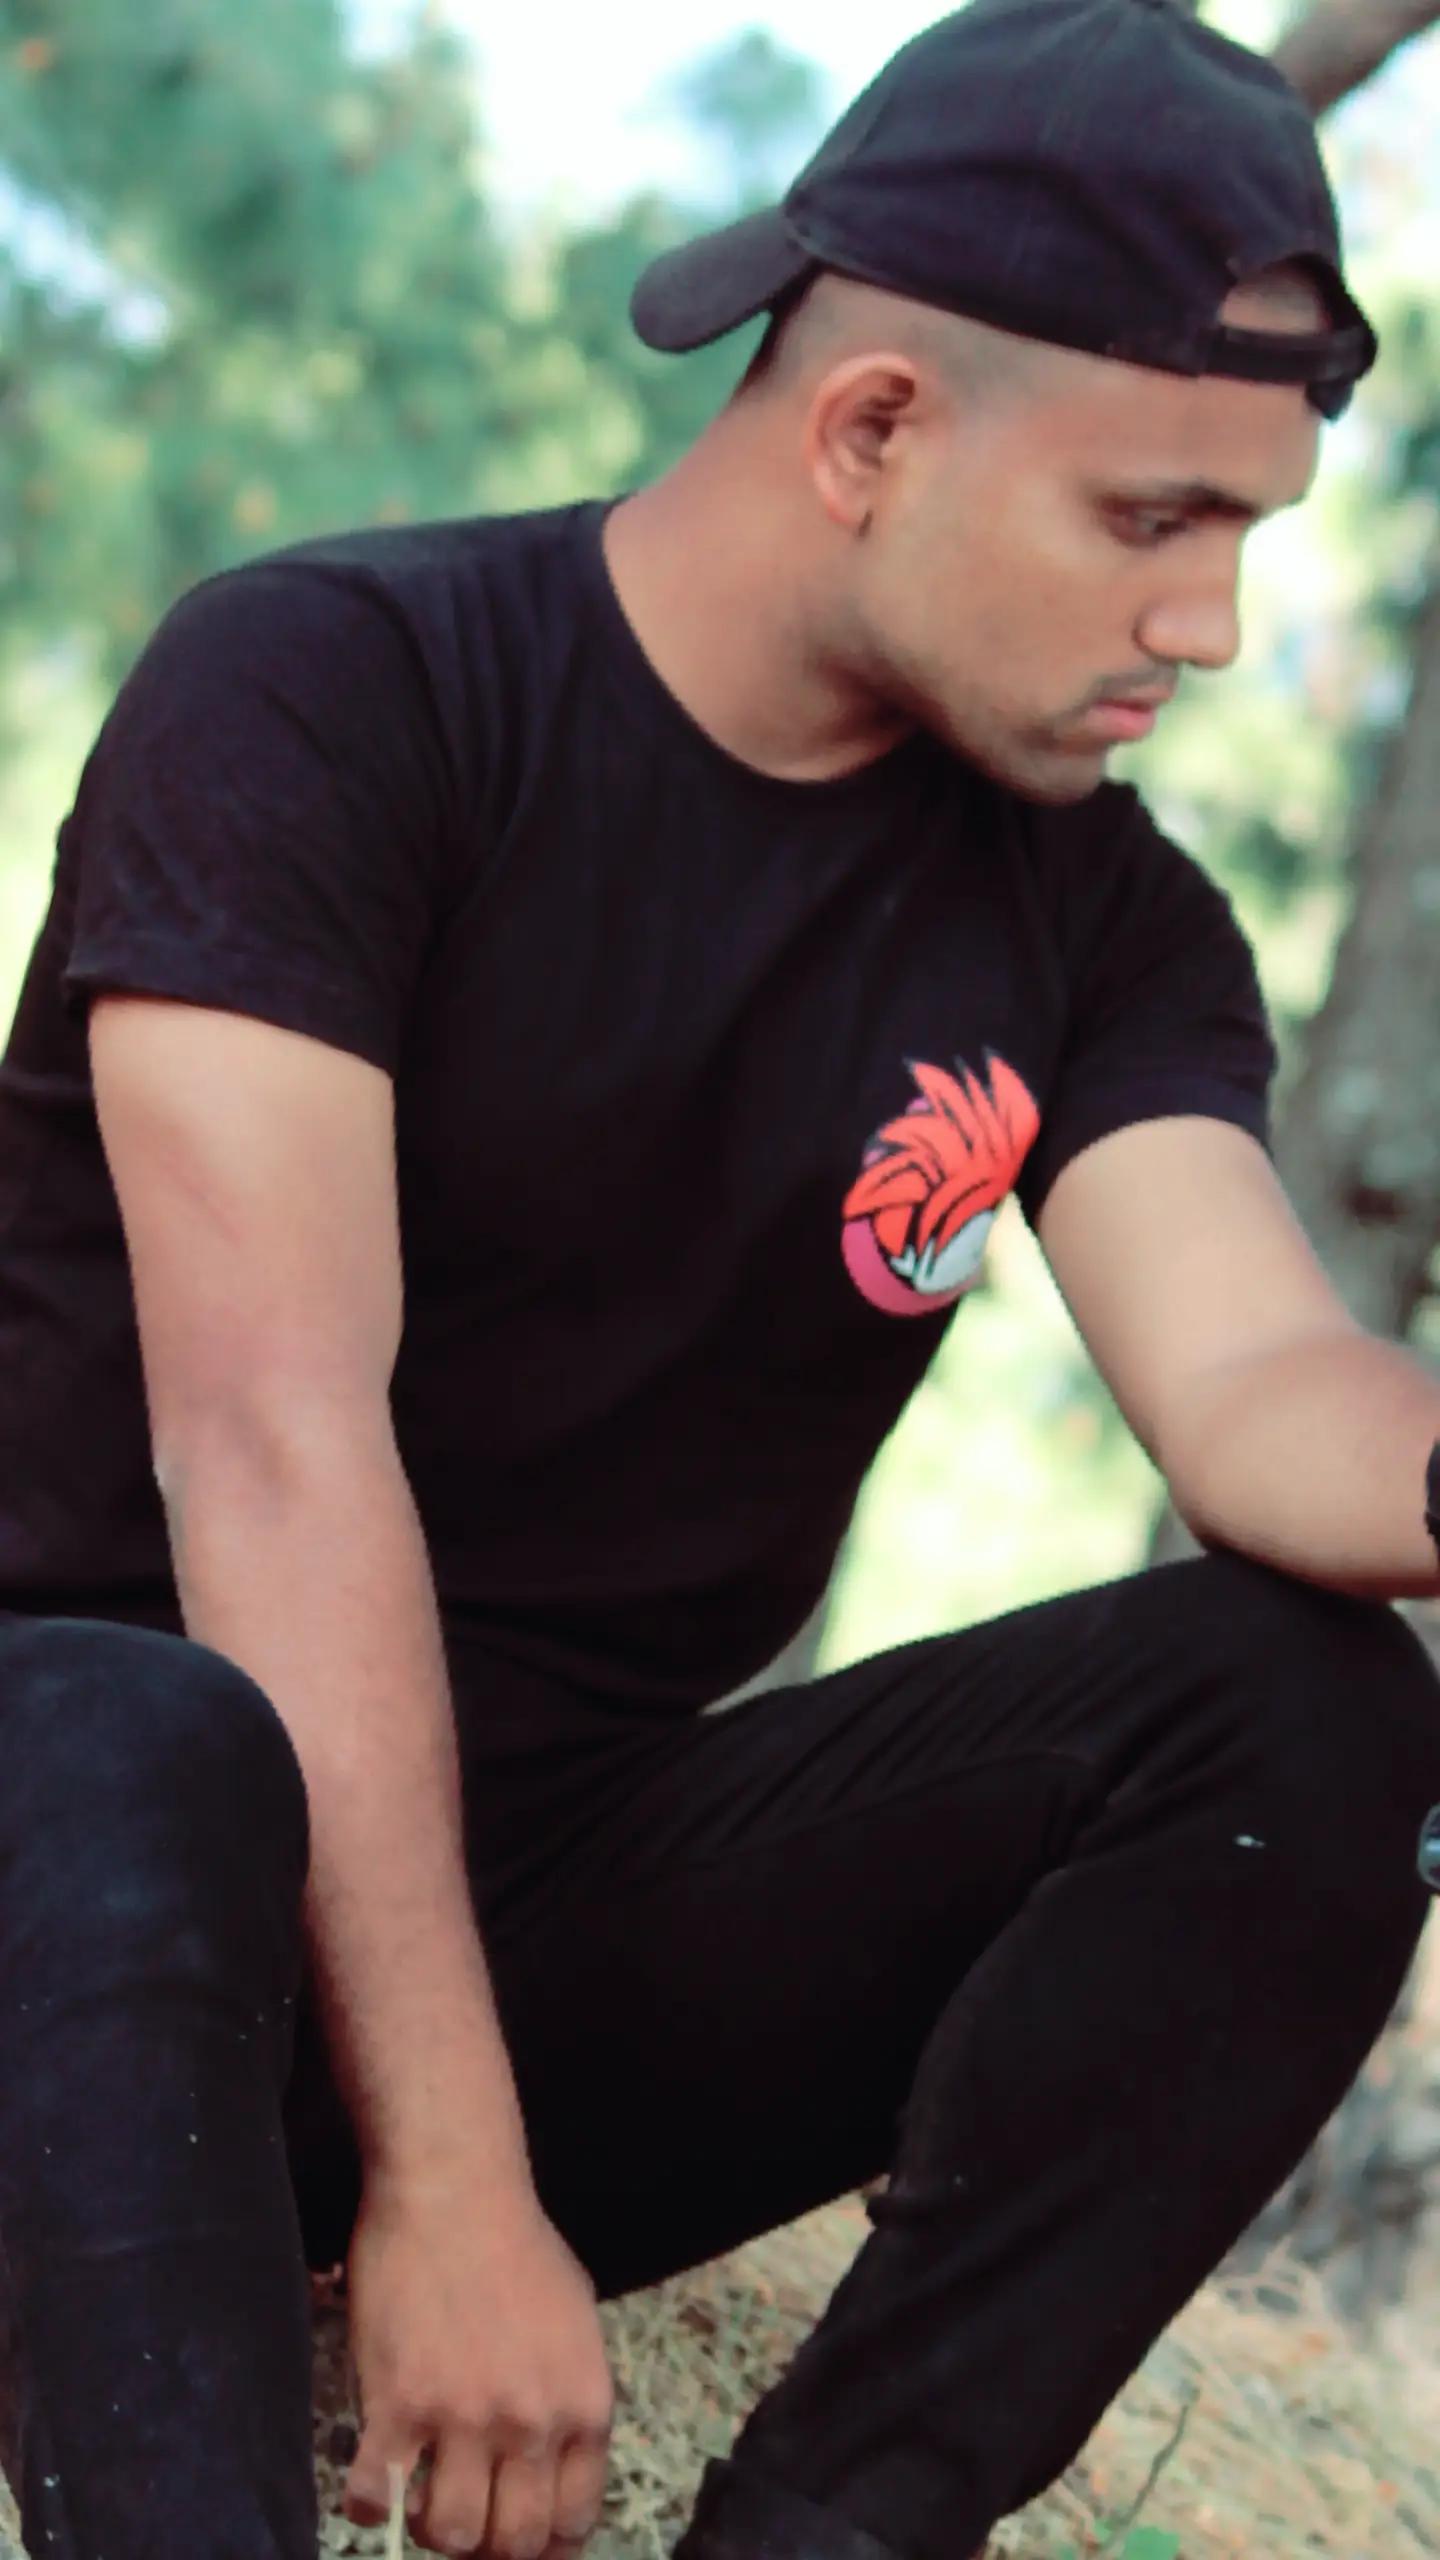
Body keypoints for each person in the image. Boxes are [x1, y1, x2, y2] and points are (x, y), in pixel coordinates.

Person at [2, 1, 1439, 2554]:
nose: (1214, 621)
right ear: (873, 427)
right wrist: (453, 2177)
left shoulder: (1103, 922)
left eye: (1248, 532)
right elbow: (269, 1445)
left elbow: (1260, 1395)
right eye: (1153, 517)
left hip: (524, 1905)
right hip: (76, 1893)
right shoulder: (334, 694)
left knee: (1307, 1705)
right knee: (129, 1735)